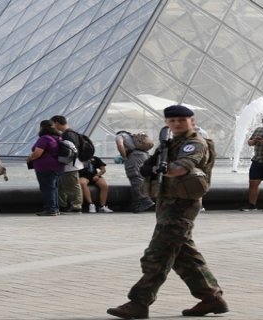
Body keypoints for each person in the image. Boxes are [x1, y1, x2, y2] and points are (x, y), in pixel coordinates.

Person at [107, 105, 225, 319]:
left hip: (181, 204)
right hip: (168, 201)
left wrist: (158, 168)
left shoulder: (194, 143)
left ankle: (139, 302)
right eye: (172, 121)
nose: (176, 124)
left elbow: (182, 167)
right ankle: (211, 298)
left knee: (157, 255)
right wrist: (152, 164)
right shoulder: (170, 143)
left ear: (192, 120)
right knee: (183, 255)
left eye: (181, 120)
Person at [26, 120, 63, 216]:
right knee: (54, 188)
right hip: (58, 166)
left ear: (42, 128)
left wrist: (30, 158)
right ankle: (55, 209)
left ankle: (50, 209)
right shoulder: (58, 138)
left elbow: (38, 152)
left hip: (45, 167)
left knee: (47, 188)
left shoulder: (44, 138)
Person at [50, 115, 86, 213]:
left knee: (73, 185)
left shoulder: (68, 135)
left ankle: (76, 206)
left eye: (53, 124)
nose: (52, 127)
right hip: (70, 164)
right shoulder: (71, 133)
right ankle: (65, 205)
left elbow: (70, 151)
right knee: (65, 185)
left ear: (57, 123)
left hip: (70, 165)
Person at [116, 130, 156, 213]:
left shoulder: (120, 136)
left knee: (135, 178)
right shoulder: (131, 136)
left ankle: (145, 201)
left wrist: (124, 157)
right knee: (141, 178)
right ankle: (137, 205)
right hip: (144, 155)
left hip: (134, 157)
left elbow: (120, 145)